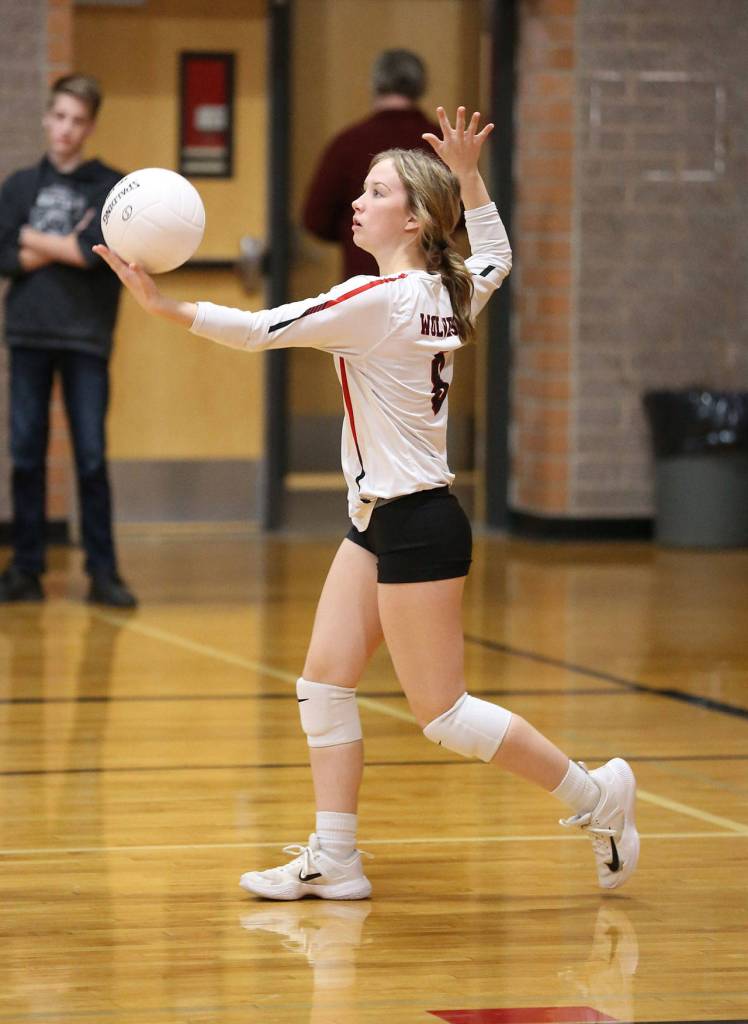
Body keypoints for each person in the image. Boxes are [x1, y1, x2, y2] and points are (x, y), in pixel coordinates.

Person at [94, 107, 639, 900]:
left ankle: (597, 798)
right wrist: (472, 177)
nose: (356, 202)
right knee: (323, 682)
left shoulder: (375, 300)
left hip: (416, 523)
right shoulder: (447, 290)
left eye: (374, 190)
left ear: (412, 217)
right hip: (379, 521)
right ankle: (336, 856)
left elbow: (259, 329)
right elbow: (495, 254)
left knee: (444, 714)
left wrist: (161, 307)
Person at [0, 74, 137, 608]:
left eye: (77, 121)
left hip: (86, 337)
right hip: (28, 334)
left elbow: (91, 252)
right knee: (26, 452)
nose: (66, 129)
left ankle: (104, 571)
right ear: (46, 118)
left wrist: (28, 238)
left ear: (90, 126)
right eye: (59, 117)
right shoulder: (17, 186)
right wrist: (63, 242)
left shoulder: (111, 190)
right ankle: (25, 568)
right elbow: (4, 253)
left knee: (90, 456)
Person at [302, 48, 439, 278]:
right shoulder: (438, 142)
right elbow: (459, 214)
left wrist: (360, 231)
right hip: (429, 279)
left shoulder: (348, 143)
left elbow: (315, 218)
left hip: (363, 276)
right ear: (421, 86)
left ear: (375, 84)